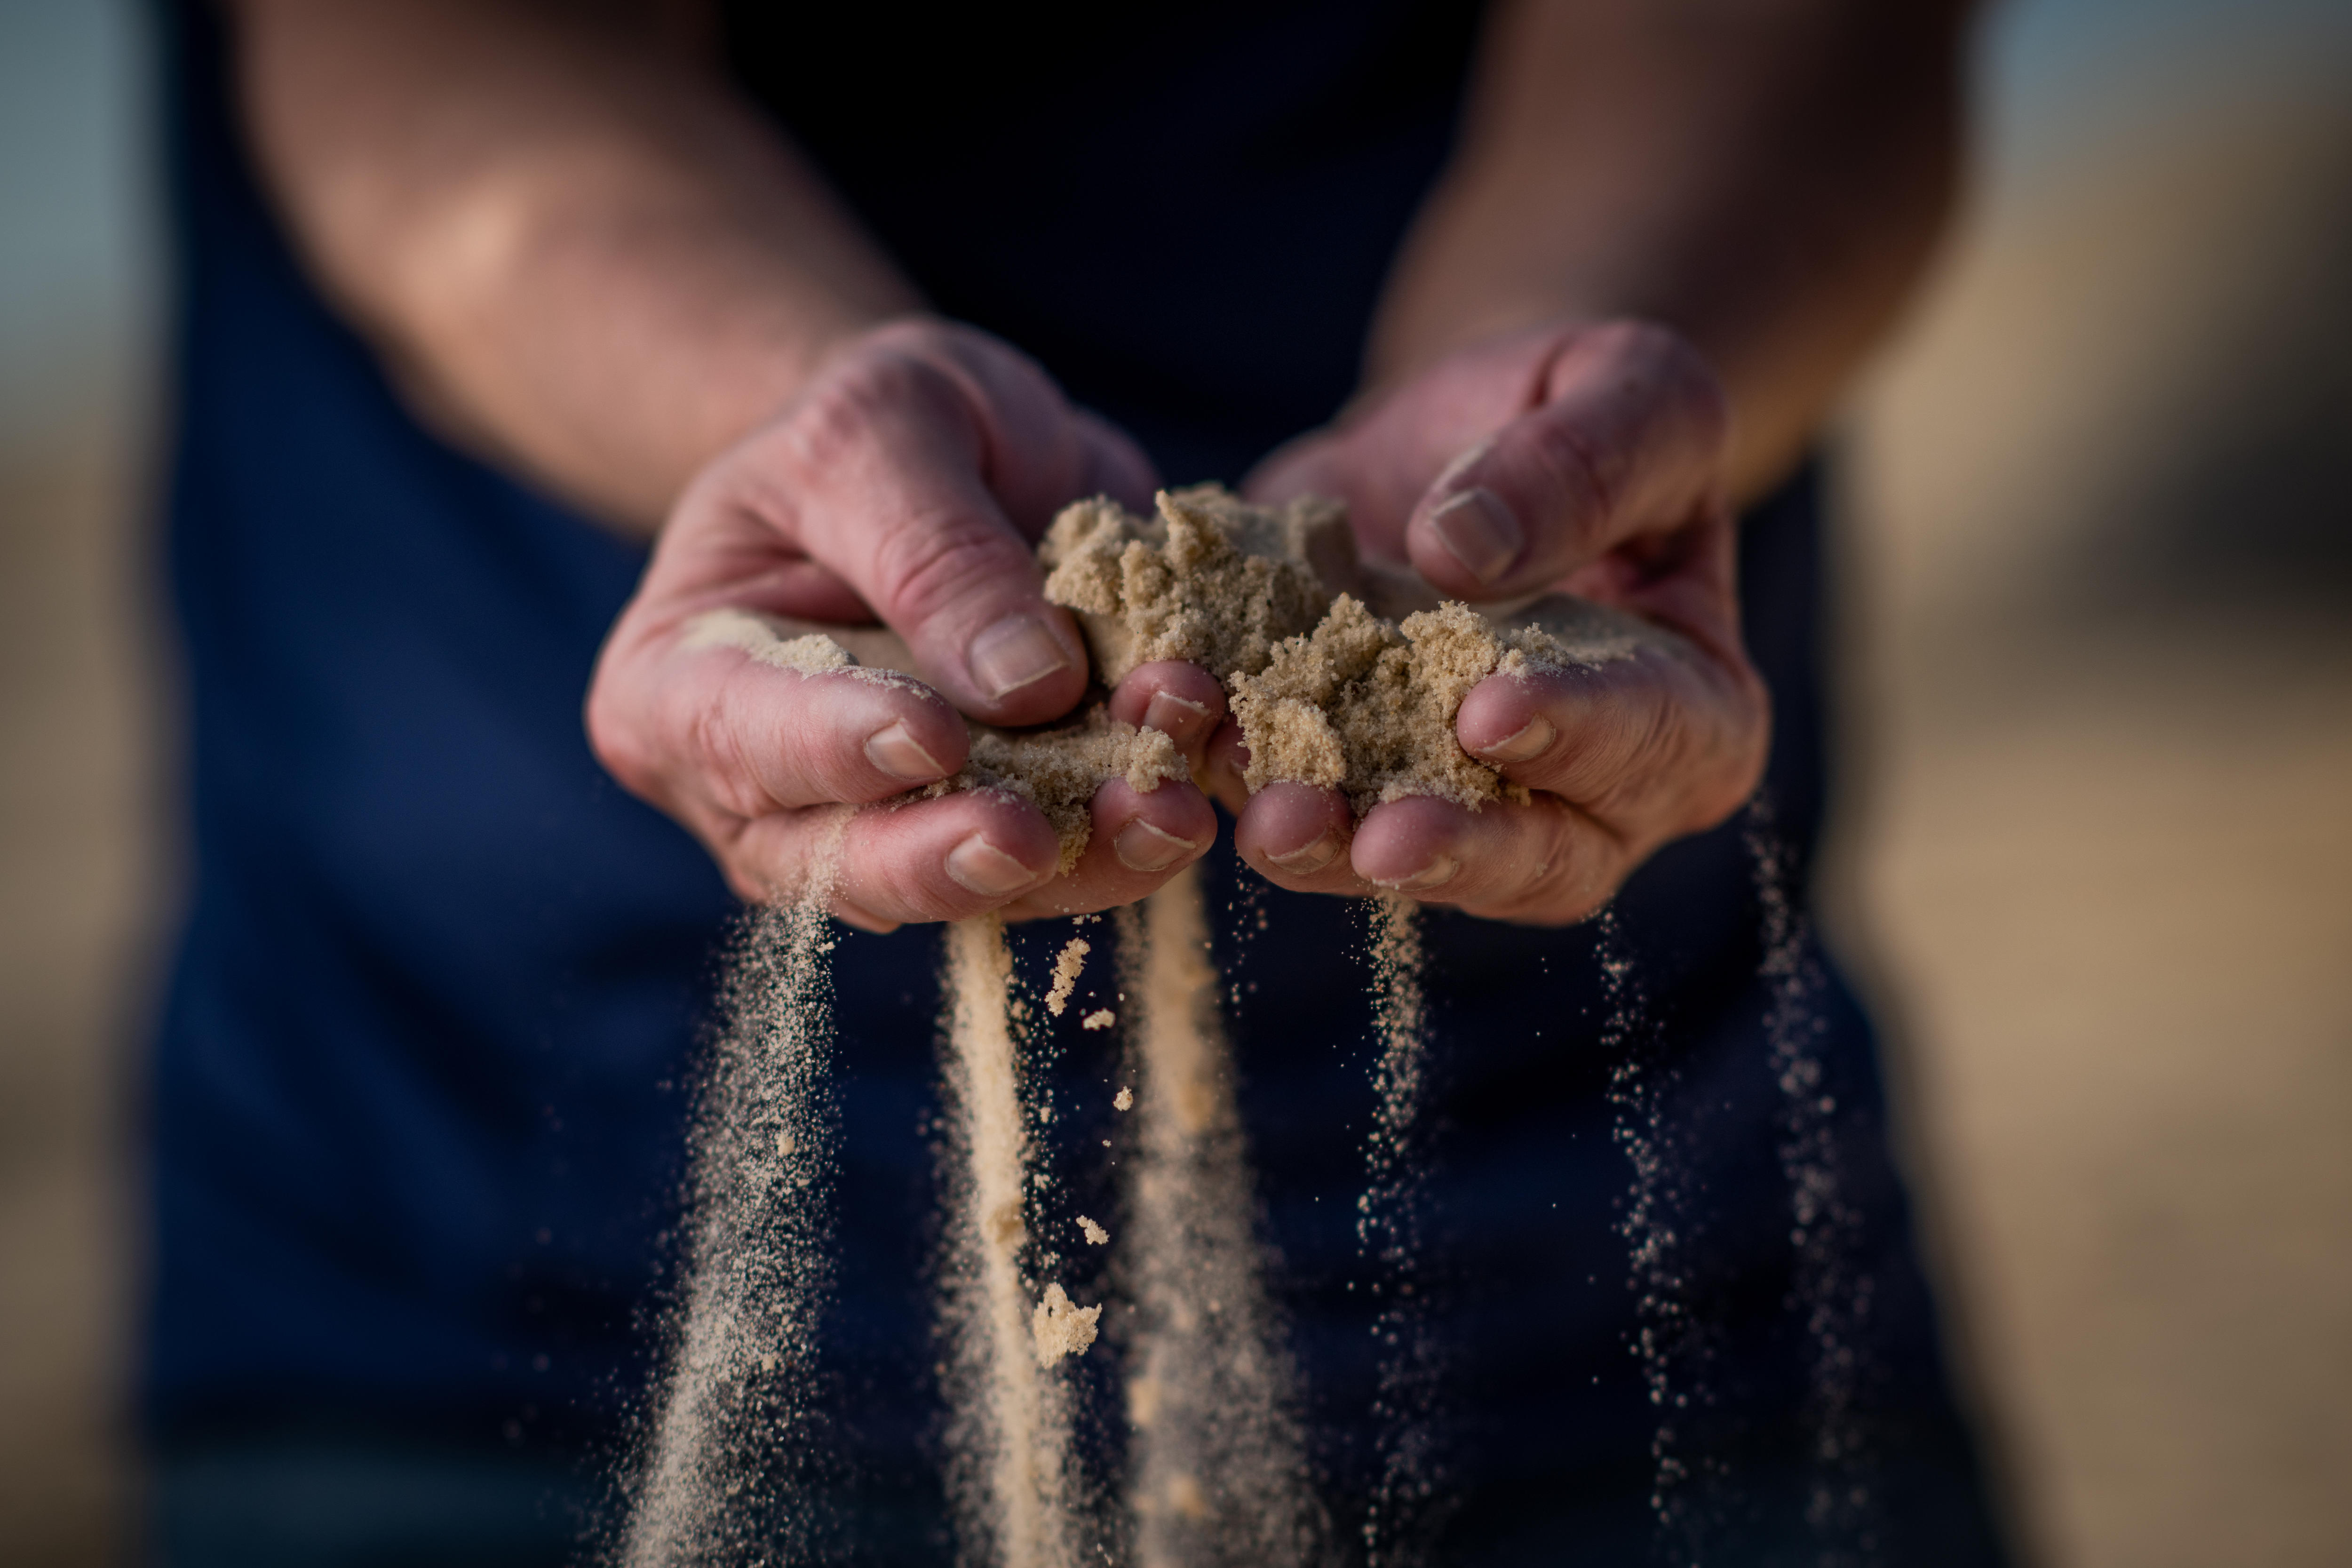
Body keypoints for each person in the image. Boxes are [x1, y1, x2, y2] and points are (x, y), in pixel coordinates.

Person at [146, 0, 2009, 1563]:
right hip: (490, 1258)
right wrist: (789, 426)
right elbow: (431, 82)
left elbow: (1792, 48)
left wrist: (1563, 421)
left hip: (1628, 1263)